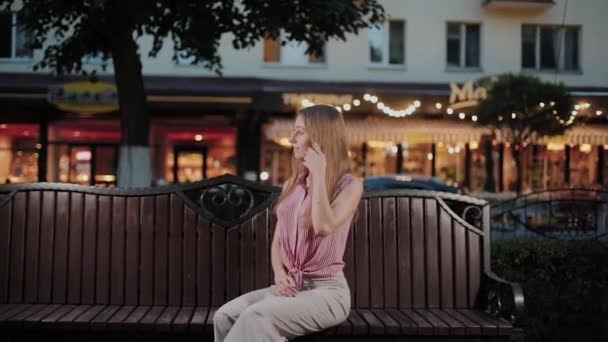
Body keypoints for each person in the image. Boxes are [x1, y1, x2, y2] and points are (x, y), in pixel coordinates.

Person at [214, 105, 364, 341]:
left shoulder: (350, 186)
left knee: (257, 317)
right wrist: (278, 273)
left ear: (319, 137)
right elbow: (279, 241)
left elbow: (324, 226)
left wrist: (319, 174)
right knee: (224, 316)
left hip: (328, 293)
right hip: (291, 287)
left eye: (300, 131)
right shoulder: (292, 185)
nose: (292, 138)